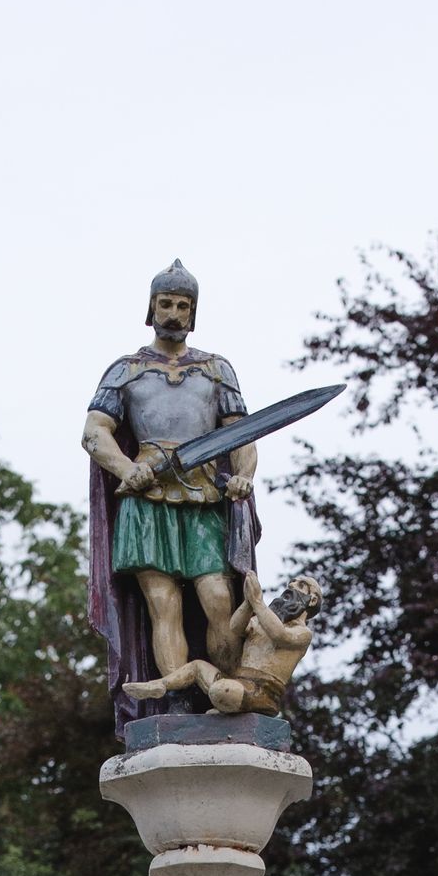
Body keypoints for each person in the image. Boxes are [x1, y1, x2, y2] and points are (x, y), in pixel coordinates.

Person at [83, 260, 260, 726]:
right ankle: (179, 701)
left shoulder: (216, 370)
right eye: (167, 303)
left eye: (184, 305)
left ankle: (228, 691)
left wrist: (243, 476)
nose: (175, 313)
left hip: (203, 494)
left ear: (194, 312)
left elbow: (241, 435)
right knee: (164, 604)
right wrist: (126, 468)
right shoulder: (126, 371)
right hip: (146, 500)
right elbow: (95, 432)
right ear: (151, 308)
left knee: (219, 597)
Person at [123, 572, 320, 718]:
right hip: (239, 682)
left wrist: (258, 602)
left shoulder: (303, 633)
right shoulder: (262, 620)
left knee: (221, 691)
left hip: (261, 692)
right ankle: (159, 685)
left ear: (312, 600)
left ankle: (226, 707)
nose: (292, 586)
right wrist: (248, 602)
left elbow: (279, 635)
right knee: (197, 666)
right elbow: (235, 628)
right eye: (292, 582)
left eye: (301, 585)